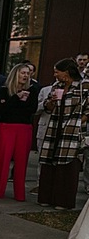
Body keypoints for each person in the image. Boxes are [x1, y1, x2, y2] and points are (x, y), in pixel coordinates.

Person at [37, 58, 89, 210]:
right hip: (55, 127)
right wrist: (51, 102)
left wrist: (78, 122)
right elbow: (47, 107)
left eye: (57, 72)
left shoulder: (84, 85)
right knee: (49, 160)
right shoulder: (57, 86)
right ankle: (46, 197)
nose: (55, 75)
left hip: (73, 129)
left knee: (68, 164)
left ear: (66, 72)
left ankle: (63, 201)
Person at [0, 63, 38, 201]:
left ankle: (20, 193)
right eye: (23, 73)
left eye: (27, 73)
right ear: (15, 74)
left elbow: (32, 110)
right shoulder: (4, 90)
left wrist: (12, 105)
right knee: (3, 160)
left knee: (21, 161)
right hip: (6, 127)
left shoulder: (32, 91)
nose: (25, 75)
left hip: (24, 128)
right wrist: (16, 98)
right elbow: (0, 110)